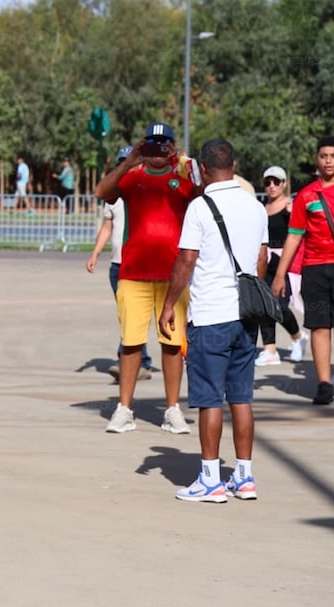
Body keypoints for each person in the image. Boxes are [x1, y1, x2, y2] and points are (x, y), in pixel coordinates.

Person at [159, 138, 267, 502]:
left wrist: (169, 304)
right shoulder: (255, 206)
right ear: (233, 165)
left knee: (209, 399)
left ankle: (210, 480)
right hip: (246, 315)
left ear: (202, 169)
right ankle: (244, 477)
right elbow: (261, 259)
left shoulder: (200, 207)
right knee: (241, 397)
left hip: (210, 315)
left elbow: (186, 260)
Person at [94, 122, 198, 433]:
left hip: (172, 278)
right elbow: (102, 192)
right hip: (133, 274)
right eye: (152, 143)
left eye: (164, 144)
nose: (157, 150)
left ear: (171, 146)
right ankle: (124, 409)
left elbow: (203, 195)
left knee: (172, 344)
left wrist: (183, 161)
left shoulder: (182, 180)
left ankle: (172, 409)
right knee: (131, 343)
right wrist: (130, 161)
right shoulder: (132, 177)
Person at [271, 135, 334, 404]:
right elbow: (294, 235)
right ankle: (324, 385)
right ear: (317, 159)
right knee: (319, 325)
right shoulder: (307, 195)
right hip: (314, 270)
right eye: (323, 156)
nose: (328, 161)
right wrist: (280, 275)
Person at [85, 146, 152, 380]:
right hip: (118, 265)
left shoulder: (147, 190)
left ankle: (131, 360)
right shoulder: (114, 195)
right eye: (122, 163)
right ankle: (138, 360)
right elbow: (107, 227)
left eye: (130, 162)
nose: (127, 167)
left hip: (140, 264)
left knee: (134, 314)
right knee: (127, 315)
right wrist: (95, 254)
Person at [254, 165, 308, 366]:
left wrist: (294, 214)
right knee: (264, 306)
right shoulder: (261, 208)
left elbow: (302, 233)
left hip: (285, 261)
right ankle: (270, 350)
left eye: (276, 182)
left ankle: (298, 336)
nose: (271, 186)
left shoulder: (290, 207)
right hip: (264, 260)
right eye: (267, 182)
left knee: (279, 306)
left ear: (284, 184)